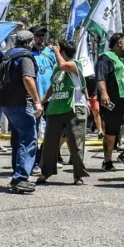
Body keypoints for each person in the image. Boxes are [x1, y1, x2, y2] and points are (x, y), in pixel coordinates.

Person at [38, 39, 90, 184]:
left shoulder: (75, 64)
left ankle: (78, 175)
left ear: (62, 52)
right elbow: (52, 86)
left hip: (74, 108)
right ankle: (46, 172)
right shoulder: (56, 68)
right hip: (55, 109)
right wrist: (41, 101)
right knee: (49, 144)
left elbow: (63, 65)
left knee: (76, 143)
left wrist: (56, 51)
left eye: (58, 50)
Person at [0, 30, 42, 194]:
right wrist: (37, 101)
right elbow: (27, 78)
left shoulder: (7, 55)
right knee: (29, 138)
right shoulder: (25, 57)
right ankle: (21, 177)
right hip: (21, 103)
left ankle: (17, 174)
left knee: (18, 137)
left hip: (6, 103)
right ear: (30, 42)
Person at [96, 33, 124, 171]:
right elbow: (101, 78)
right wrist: (104, 93)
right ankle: (107, 161)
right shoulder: (106, 58)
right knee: (111, 132)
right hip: (113, 99)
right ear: (119, 43)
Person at [31, 26, 56, 170]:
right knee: (33, 132)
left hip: (51, 99)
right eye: (38, 35)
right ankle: (34, 162)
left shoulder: (50, 53)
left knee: (53, 132)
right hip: (34, 100)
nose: (41, 38)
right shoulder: (28, 54)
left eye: (43, 35)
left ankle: (42, 156)